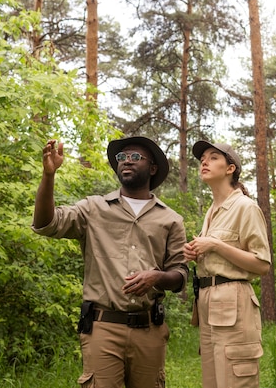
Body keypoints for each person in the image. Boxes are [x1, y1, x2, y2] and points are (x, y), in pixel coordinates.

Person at [32, 136, 188, 388]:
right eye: (121, 157)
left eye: (135, 157)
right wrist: (48, 176)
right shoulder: (94, 208)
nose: (126, 161)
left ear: (152, 167)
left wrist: (156, 277)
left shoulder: (170, 219)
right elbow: (45, 224)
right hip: (102, 329)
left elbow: (180, 275)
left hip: (149, 331)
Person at [183, 141, 271, 388]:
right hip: (207, 303)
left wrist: (215, 245)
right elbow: (215, 253)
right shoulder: (211, 210)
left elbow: (262, 265)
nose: (204, 161)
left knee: (235, 380)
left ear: (230, 168)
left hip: (234, 301)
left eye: (212, 157)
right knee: (212, 382)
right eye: (202, 158)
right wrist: (196, 253)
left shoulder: (245, 207)